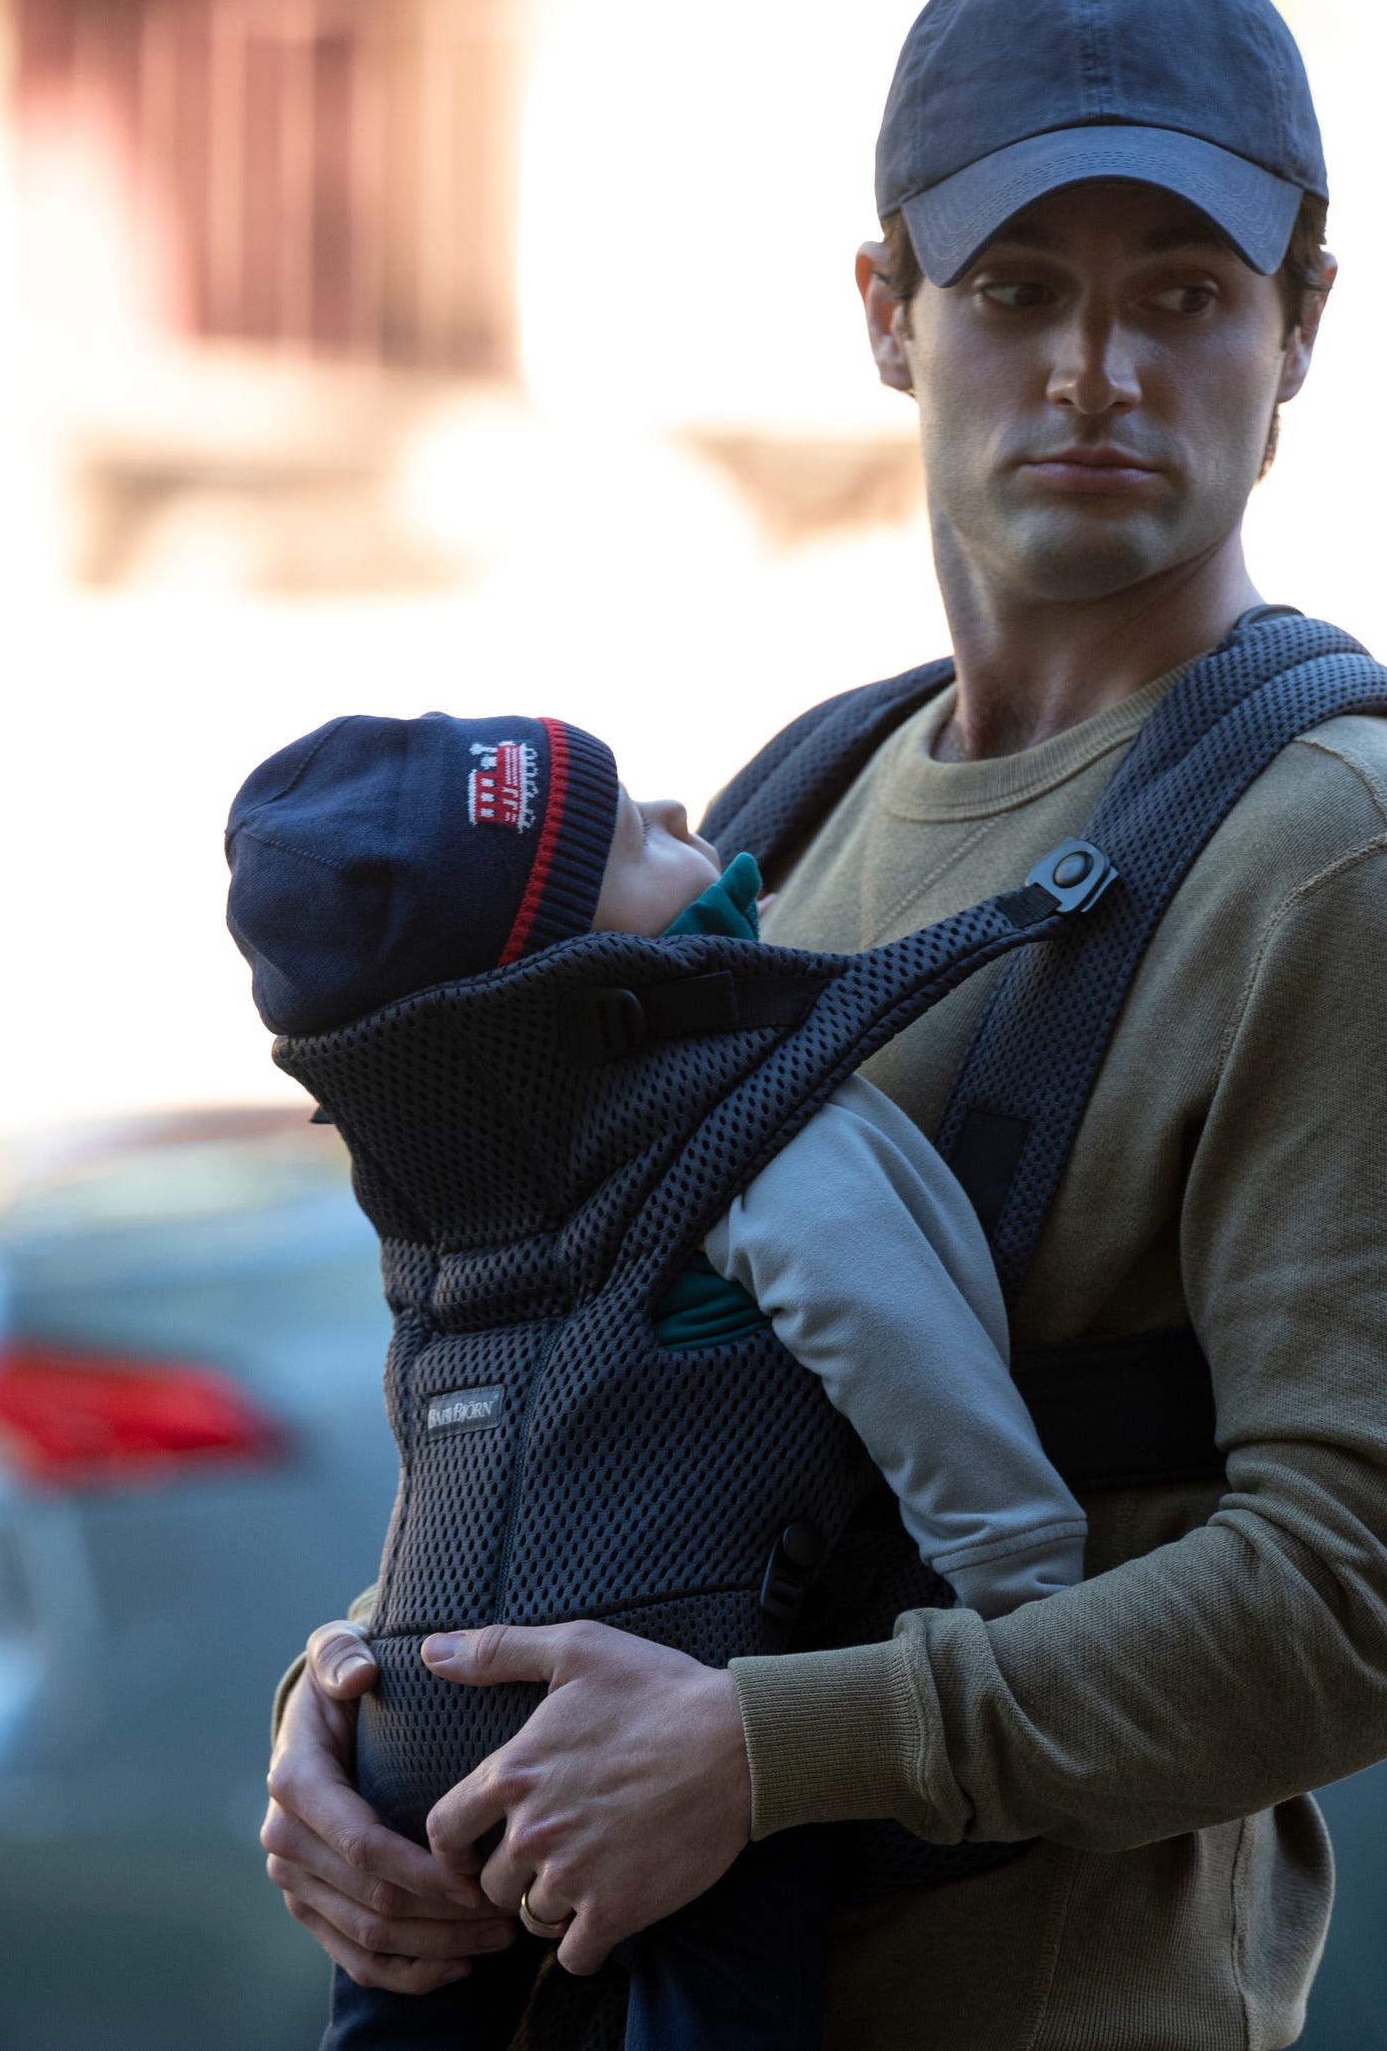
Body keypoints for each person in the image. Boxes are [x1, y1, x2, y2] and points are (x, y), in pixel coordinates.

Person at [258, 0, 1387, 2048]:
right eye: (1017, 290)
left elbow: (1363, 1606)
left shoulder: (1355, 869)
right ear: (889, 312)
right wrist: (357, 1713)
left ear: (1301, 325)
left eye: (1185, 296)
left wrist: (762, 1754)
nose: (1095, 373)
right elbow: (595, 1380)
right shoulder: (798, 800)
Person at [223, 712, 1090, 2050]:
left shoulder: (448, 1196)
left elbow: (485, 1475)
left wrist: (343, 1687)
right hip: (655, 1725)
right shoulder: (763, 1119)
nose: (691, 813)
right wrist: (1024, 1585)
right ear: (582, 968)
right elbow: (899, 1336)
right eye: (634, 834)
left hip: (407, 1738)